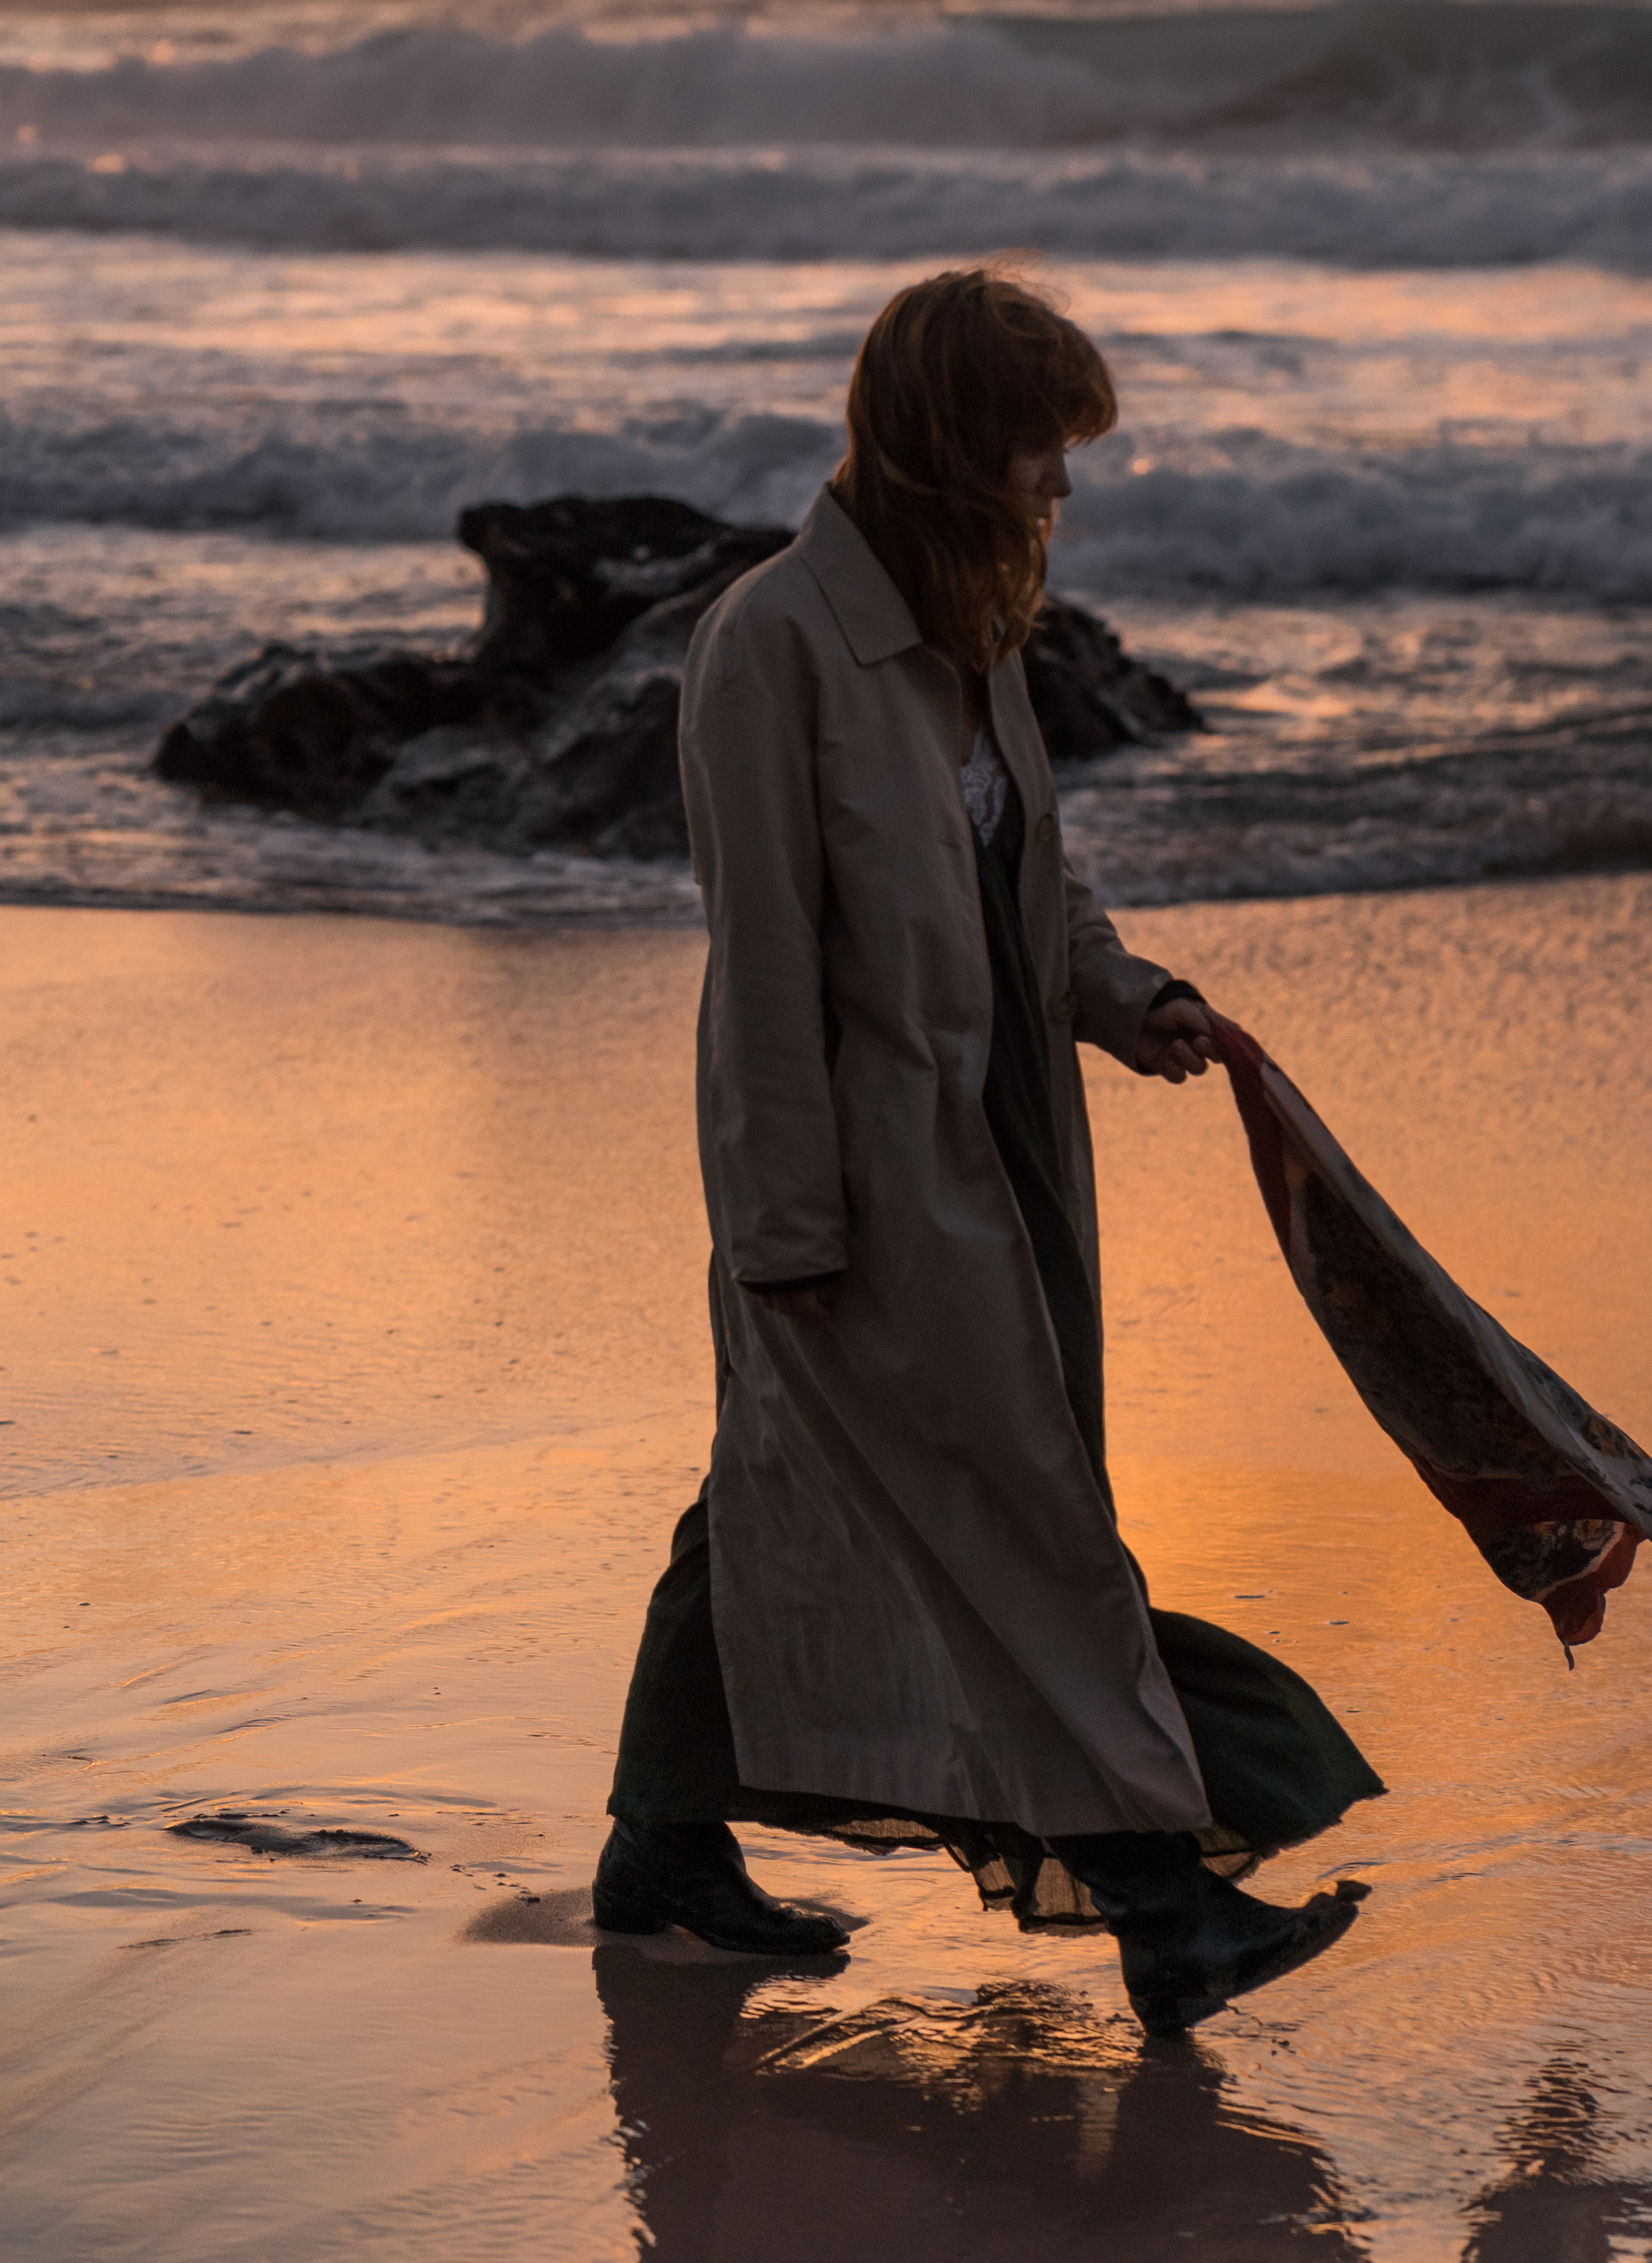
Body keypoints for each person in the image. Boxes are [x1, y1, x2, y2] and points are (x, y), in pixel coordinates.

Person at [593, 267, 1382, 2036]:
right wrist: (787, 1230)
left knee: (777, 1503)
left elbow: (1035, 876)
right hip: (868, 1189)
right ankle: (1168, 1911)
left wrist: (1121, 993)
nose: (1061, 489)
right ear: (960, 442)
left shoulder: (971, 629)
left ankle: (656, 1848)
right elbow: (765, 965)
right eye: (1043, 449)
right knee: (1019, 1525)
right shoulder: (770, 646)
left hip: (1004, 1142)